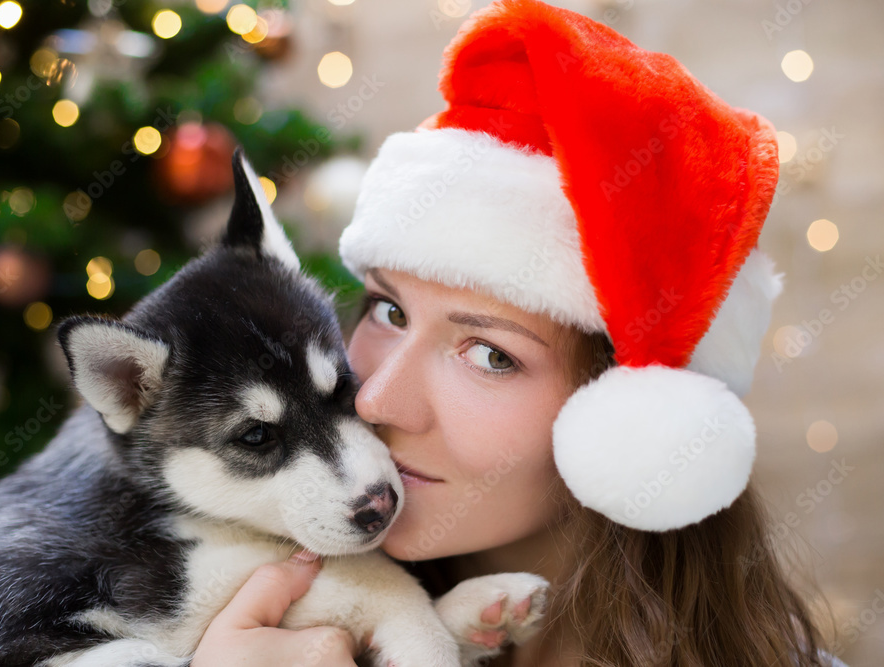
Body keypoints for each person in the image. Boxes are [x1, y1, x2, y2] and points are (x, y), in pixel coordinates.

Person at [191, 1, 847, 665]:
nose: (376, 400)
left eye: (490, 354)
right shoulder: (229, 624)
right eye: (389, 310)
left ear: (626, 426)